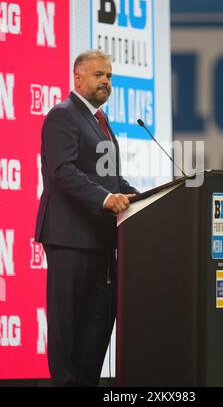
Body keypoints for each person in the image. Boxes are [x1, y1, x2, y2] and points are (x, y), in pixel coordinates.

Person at [35, 49, 138, 387]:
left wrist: (141, 196)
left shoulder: (102, 124)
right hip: (69, 239)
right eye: (98, 75)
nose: (106, 81)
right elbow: (63, 172)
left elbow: (110, 179)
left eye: (109, 76)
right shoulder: (62, 116)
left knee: (97, 326)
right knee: (69, 325)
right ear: (77, 78)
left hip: (101, 242)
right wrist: (106, 198)